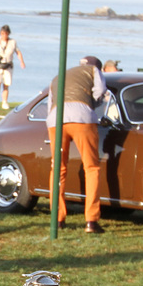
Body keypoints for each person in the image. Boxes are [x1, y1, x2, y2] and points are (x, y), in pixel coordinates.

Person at [46, 55, 109, 234]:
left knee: (58, 168)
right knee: (91, 168)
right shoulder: (94, 70)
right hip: (82, 118)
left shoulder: (58, 77)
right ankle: (91, 220)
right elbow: (100, 90)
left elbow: (51, 104)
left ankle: (57, 219)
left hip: (55, 121)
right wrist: (93, 105)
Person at [0, 25, 26, 108]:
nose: (4, 35)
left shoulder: (13, 42)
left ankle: (4, 102)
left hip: (8, 65)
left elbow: (18, 52)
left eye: (6, 33)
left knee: (6, 85)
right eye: (2, 33)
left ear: (8, 33)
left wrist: (22, 62)